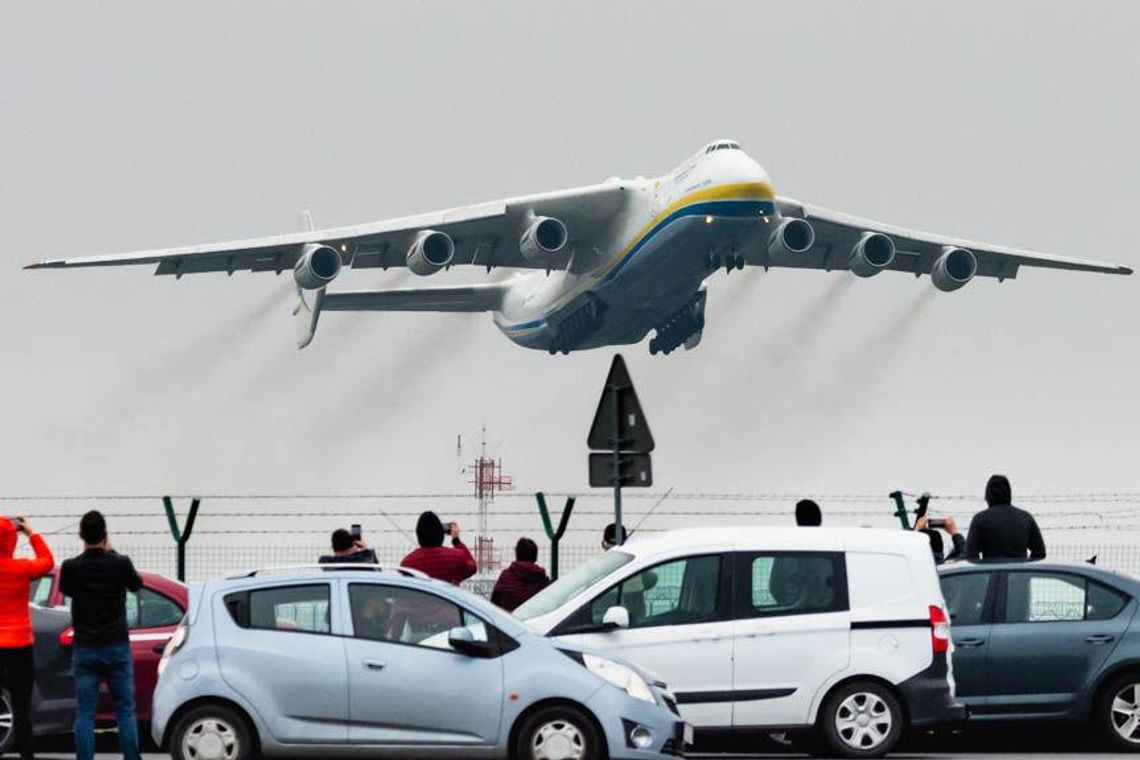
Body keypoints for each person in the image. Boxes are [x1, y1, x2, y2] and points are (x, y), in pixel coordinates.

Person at [60, 511, 144, 760]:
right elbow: (136, 584)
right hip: (116, 645)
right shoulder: (120, 563)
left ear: (80, 535)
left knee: (85, 712)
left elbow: (66, 589)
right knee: (126, 711)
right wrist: (113, 552)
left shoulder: (71, 567)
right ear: (105, 534)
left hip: (86, 647)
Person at [0, 516, 54, 760]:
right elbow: (47, 562)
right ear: (11, 541)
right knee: (21, 706)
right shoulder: (21, 569)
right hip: (19, 645)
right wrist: (31, 533)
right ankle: (26, 755)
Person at [965, 475, 1047, 560]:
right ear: (1009, 494)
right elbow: (1040, 553)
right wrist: (1025, 568)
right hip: (1019, 571)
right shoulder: (1026, 518)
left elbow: (970, 556)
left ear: (988, 496)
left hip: (991, 571)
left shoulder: (980, 520)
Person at [400, 512, 477, 584]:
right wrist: (456, 540)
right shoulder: (457, 557)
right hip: (448, 598)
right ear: (441, 534)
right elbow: (472, 568)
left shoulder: (407, 563)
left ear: (419, 535)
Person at [491, 538, 551, 611]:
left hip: (508, 620)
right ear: (535, 556)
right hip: (536, 620)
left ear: (517, 554)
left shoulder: (506, 576)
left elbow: (494, 603)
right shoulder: (542, 579)